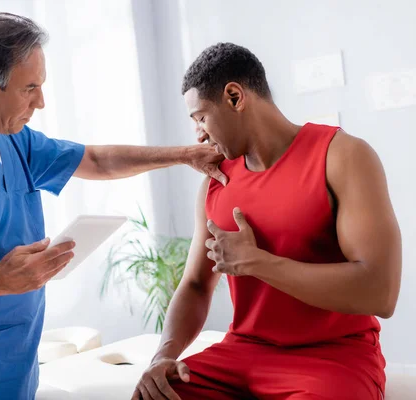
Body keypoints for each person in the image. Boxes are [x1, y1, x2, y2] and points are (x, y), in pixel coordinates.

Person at [0, 13, 228, 400]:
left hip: (17, 370)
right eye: (29, 88)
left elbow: (94, 161)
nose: (41, 102)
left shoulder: (14, 139)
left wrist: (185, 155)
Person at [133, 42, 401, 400]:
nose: (198, 134)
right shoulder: (216, 182)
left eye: (200, 117)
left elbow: (380, 293)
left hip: (334, 357)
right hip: (242, 354)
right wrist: (164, 354)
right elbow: (197, 285)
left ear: (234, 97)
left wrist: (261, 264)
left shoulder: (343, 156)